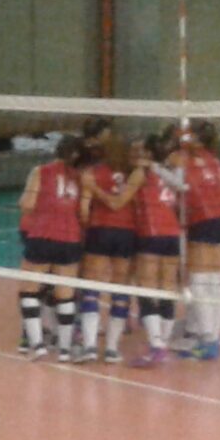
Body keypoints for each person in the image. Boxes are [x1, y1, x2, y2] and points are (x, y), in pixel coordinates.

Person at [15, 135, 86, 360]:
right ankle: (64, 350)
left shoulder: (41, 171)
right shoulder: (82, 176)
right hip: (70, 237)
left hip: (43, 235)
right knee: (65, 294)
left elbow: (27, 204)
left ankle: (37, 345)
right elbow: (84, 212)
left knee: (29, 291)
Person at [78, 132, 140, 365]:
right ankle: (112, 348)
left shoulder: (92, 173)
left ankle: (90, 346)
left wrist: (86, 228)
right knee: (120, 288)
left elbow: (84, 210)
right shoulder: (133, 174)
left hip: (99, 230)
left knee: (91, 287)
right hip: (126, 233)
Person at [176, 120, 220, 359]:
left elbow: (182, 190)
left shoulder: (186, 163)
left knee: (200, 281)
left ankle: (207, 339)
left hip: (201, 221)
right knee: (215, 280)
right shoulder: (217, 162)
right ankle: (214, 338)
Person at [127, 130, 184, 366]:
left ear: (149, 153)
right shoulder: (169, 172)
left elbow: (123, 200)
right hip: (172, 234)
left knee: (147, 287)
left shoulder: (141, 173)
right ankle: (163, 343)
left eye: (140, 151)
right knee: (168, 287)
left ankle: (156, 346)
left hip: (151, 233)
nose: (134, 154)